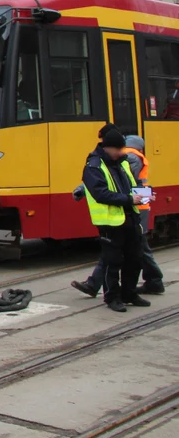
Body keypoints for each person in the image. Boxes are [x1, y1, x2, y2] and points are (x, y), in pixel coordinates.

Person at [71, 124, 151, 312]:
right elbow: (101, 194)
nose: (121, 152)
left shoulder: (122, 162)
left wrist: (145, 195)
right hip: (110, 222)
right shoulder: (94, 166)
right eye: (118, 149)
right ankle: (112, 298)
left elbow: (133, 183)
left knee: (135, 259)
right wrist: (129, 198)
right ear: (108, 147)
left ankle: (129, 293)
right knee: (112, 262)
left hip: (130, 218)